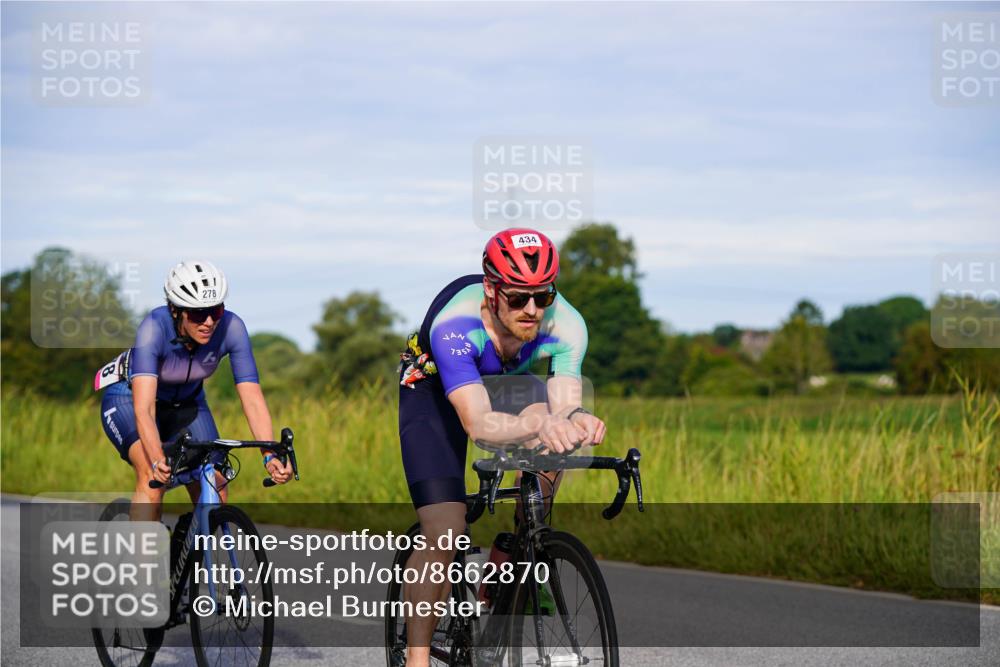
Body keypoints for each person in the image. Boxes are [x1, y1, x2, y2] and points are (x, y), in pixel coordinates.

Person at [397, 228, 606, 666]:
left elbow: (564, 402)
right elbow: (478, 424)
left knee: (555, 446)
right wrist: (535, 421)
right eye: (517, 298)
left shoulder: (567, 323)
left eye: (543, 296)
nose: (532, 310)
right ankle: (417, 658)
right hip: (435, 390)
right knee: (444, 529)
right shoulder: (456, 325)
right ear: (491, 291)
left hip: (509, 381)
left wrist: (575, 419)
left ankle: (512, 552)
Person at [96, 260, 291, 520]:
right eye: (199, 314)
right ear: (176, 311)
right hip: (129, 400)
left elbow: (252, 399)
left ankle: (198, 555)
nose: (209, 322)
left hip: (188, 403)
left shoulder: (232, 328)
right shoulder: (154, 328)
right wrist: (156, 458)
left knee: (216, 482)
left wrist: (269, 454)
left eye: (216, 310)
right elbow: (145, 410)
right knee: (151, 476)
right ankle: (142, 558)